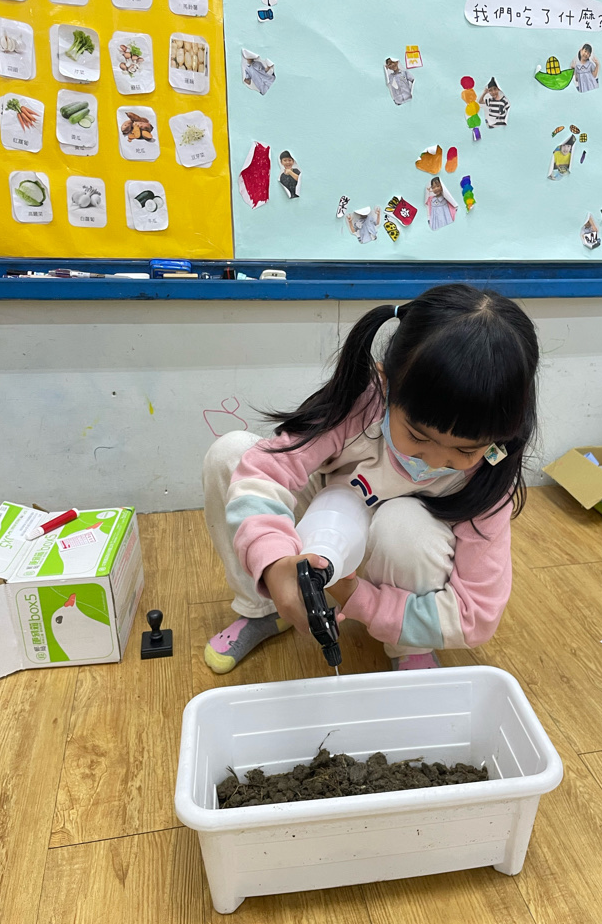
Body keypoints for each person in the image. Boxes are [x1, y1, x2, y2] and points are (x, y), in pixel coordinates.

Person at [201, 284, 539, 674]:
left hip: (392, 554)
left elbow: (476, 615)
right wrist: (274, 561)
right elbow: (267, 470)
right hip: (323, 513)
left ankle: (409, 644)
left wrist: (356, 596)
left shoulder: (489, 477)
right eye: (418, 436)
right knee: (232, 454)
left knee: (406, 527)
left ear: (504, 432)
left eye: (464, 450)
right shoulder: (361, 403)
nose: (435, 459)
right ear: (385, 383)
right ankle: (264, 607)